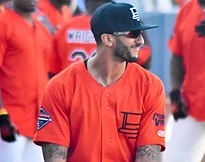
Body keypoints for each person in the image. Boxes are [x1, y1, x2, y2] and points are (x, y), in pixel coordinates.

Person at [33, 2, 166, 162]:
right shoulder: (60, 86)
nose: (141, 41)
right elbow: (55, 157)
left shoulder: (150, 86)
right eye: (133, 33)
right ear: (108, 39)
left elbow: (149, 156)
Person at [162, 0, 205, 162]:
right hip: (191, 103)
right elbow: (176, 55)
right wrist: (174, 92)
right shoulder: (186, 11)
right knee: (172, 159)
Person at [0, 0, 52, 161]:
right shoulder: (3, 22)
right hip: (10, 119)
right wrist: (1, 113)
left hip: (38, 121)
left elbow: (49, 74)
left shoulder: (42, 28)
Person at [49, 0, 153, 77]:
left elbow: (53, 72)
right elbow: (145, 60)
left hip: (71, 90)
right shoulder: (118, 27)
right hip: (110, 89)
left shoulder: (66, 28)